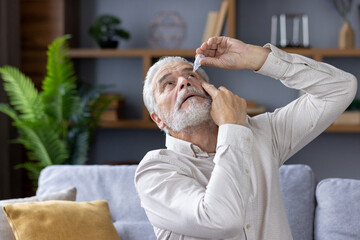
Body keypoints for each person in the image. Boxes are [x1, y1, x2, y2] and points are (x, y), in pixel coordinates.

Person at [135, 36, 357, 240]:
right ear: (158, 119)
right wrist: (231, 126)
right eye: (169, 84)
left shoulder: (261, 134)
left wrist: (256, 58)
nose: (184, 82)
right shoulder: (155, 171)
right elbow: (221, 220)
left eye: (191, 74)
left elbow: (341, 88)